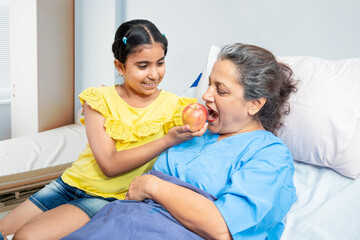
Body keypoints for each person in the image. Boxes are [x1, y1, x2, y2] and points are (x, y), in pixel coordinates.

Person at [62, 43, 298, 240]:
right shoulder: (193, 132)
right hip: (116, 223)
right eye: (209, 84)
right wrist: (110, 100)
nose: (206, 96)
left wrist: (151, 186)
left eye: (221, 91)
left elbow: (222, 226)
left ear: (254, 104)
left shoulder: (270, 154)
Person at [0, 19, 206, 240]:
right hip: (68, 183)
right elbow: (108, 164)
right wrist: (166, 140)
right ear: (120, 66)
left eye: (160, 63)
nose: (154, 74)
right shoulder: (98, 98)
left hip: (105, 198)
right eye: (143, 66)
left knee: (26, 237)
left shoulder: (175, 107)